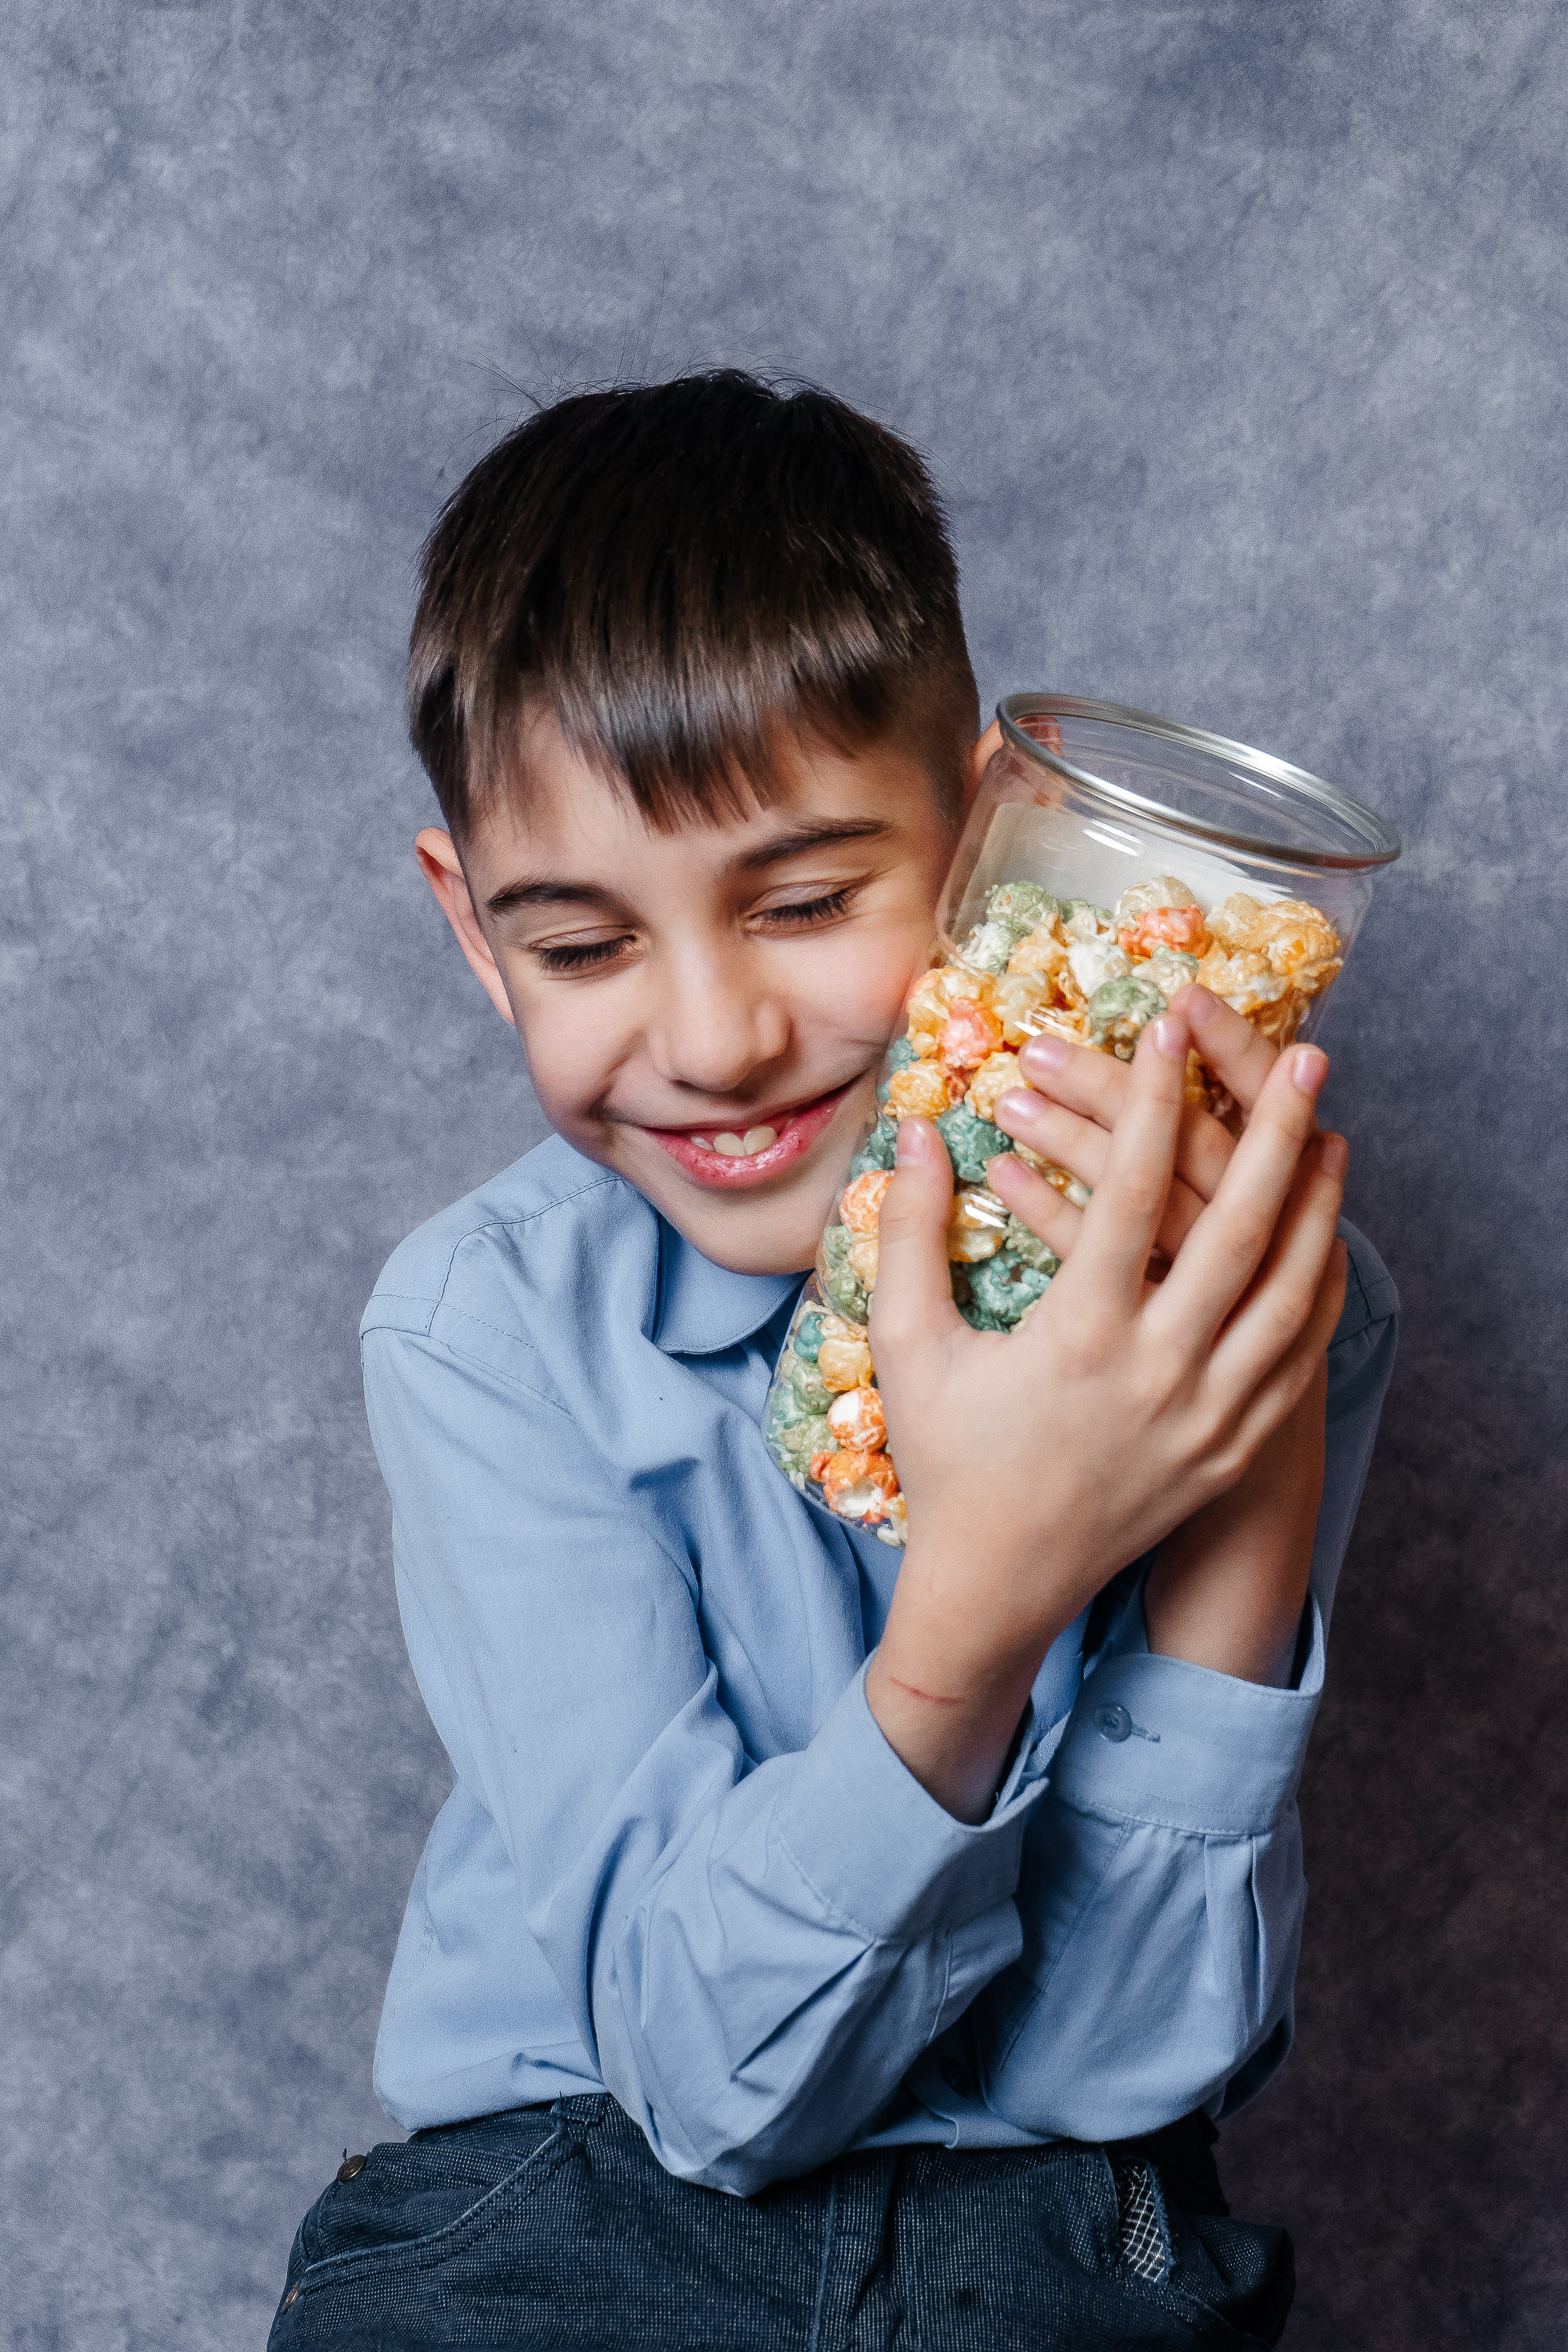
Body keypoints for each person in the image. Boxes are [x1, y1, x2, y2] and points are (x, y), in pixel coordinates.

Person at [268, 372, 1396, 2351]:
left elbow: (1118, 2072)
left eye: (800, 904)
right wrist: (985, 1602)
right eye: (583, 948)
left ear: (990, 838)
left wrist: (1258, 1421)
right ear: (474, 931)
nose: (715, 1040)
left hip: (1052, 2242)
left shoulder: (1288, 1300)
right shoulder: (487, 1331)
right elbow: (707, 2090)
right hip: (570, 2207)